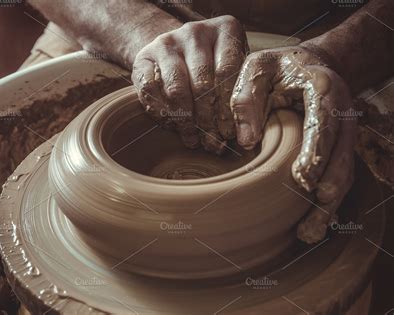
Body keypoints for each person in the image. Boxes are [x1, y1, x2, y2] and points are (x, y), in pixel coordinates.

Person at [27, 0, 393, 243]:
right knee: (24, 152)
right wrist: (142, 28)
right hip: (117, 11)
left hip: (345, 26)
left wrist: (335, 56)